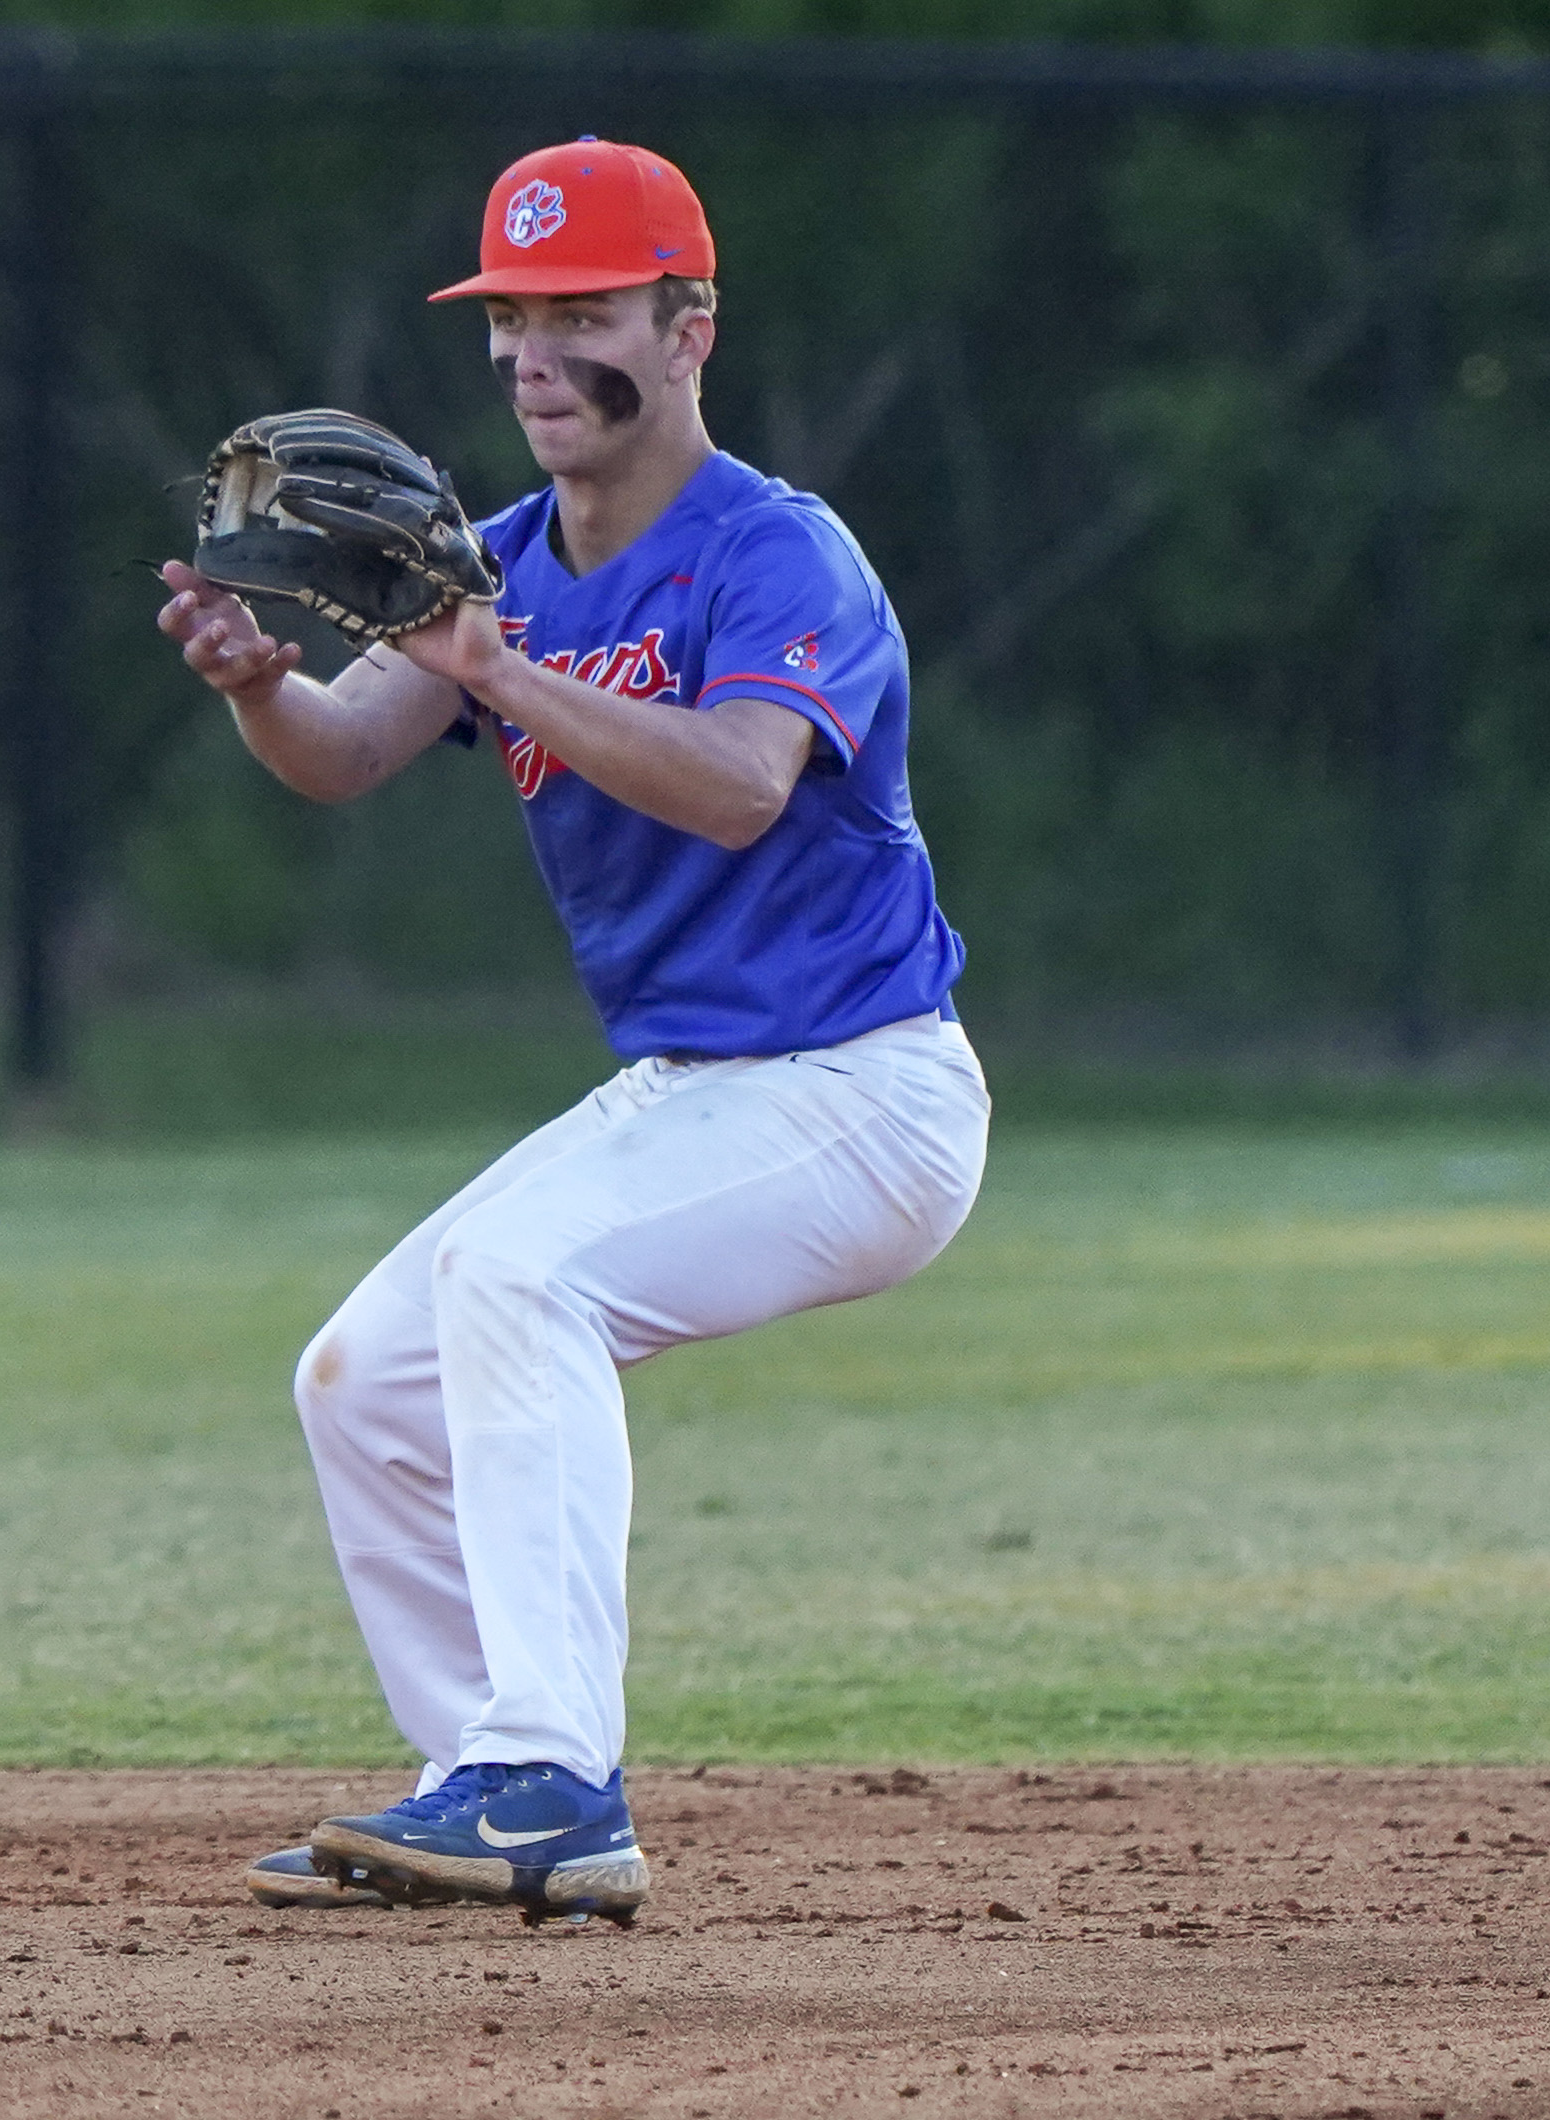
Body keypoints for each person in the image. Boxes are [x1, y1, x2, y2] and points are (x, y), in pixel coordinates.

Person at [154, 138, 990, 1924]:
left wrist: (497, 669)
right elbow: (348, 754)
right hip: (696, 1087)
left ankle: (550, 1778)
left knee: (524, 1280)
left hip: (865, 1088)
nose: (536, 355)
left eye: (584, 314)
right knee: (364, 1377)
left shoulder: (780, 556)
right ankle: (481, 1776)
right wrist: (257, 690)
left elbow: (745, 791)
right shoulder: (507, 562)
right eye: (514, 317)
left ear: (689, 329)